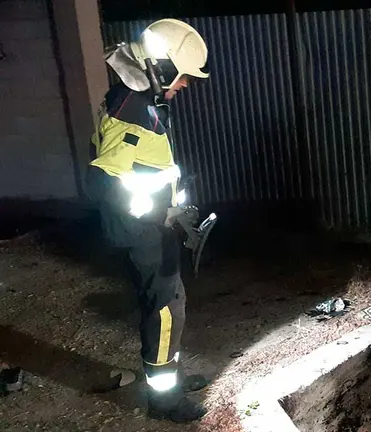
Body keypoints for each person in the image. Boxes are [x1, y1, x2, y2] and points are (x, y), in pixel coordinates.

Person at [87, 19, 210, 423]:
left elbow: (141, 169)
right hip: (145, 232)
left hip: (151, 227)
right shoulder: (132, 113)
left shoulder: (138, 103)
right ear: (162, 68)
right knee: (165, 311)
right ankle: (164, 400)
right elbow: (106, 183)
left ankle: (170, 378)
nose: (186, 84)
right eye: (183, 76)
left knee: (167, 304)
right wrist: (161, 213)